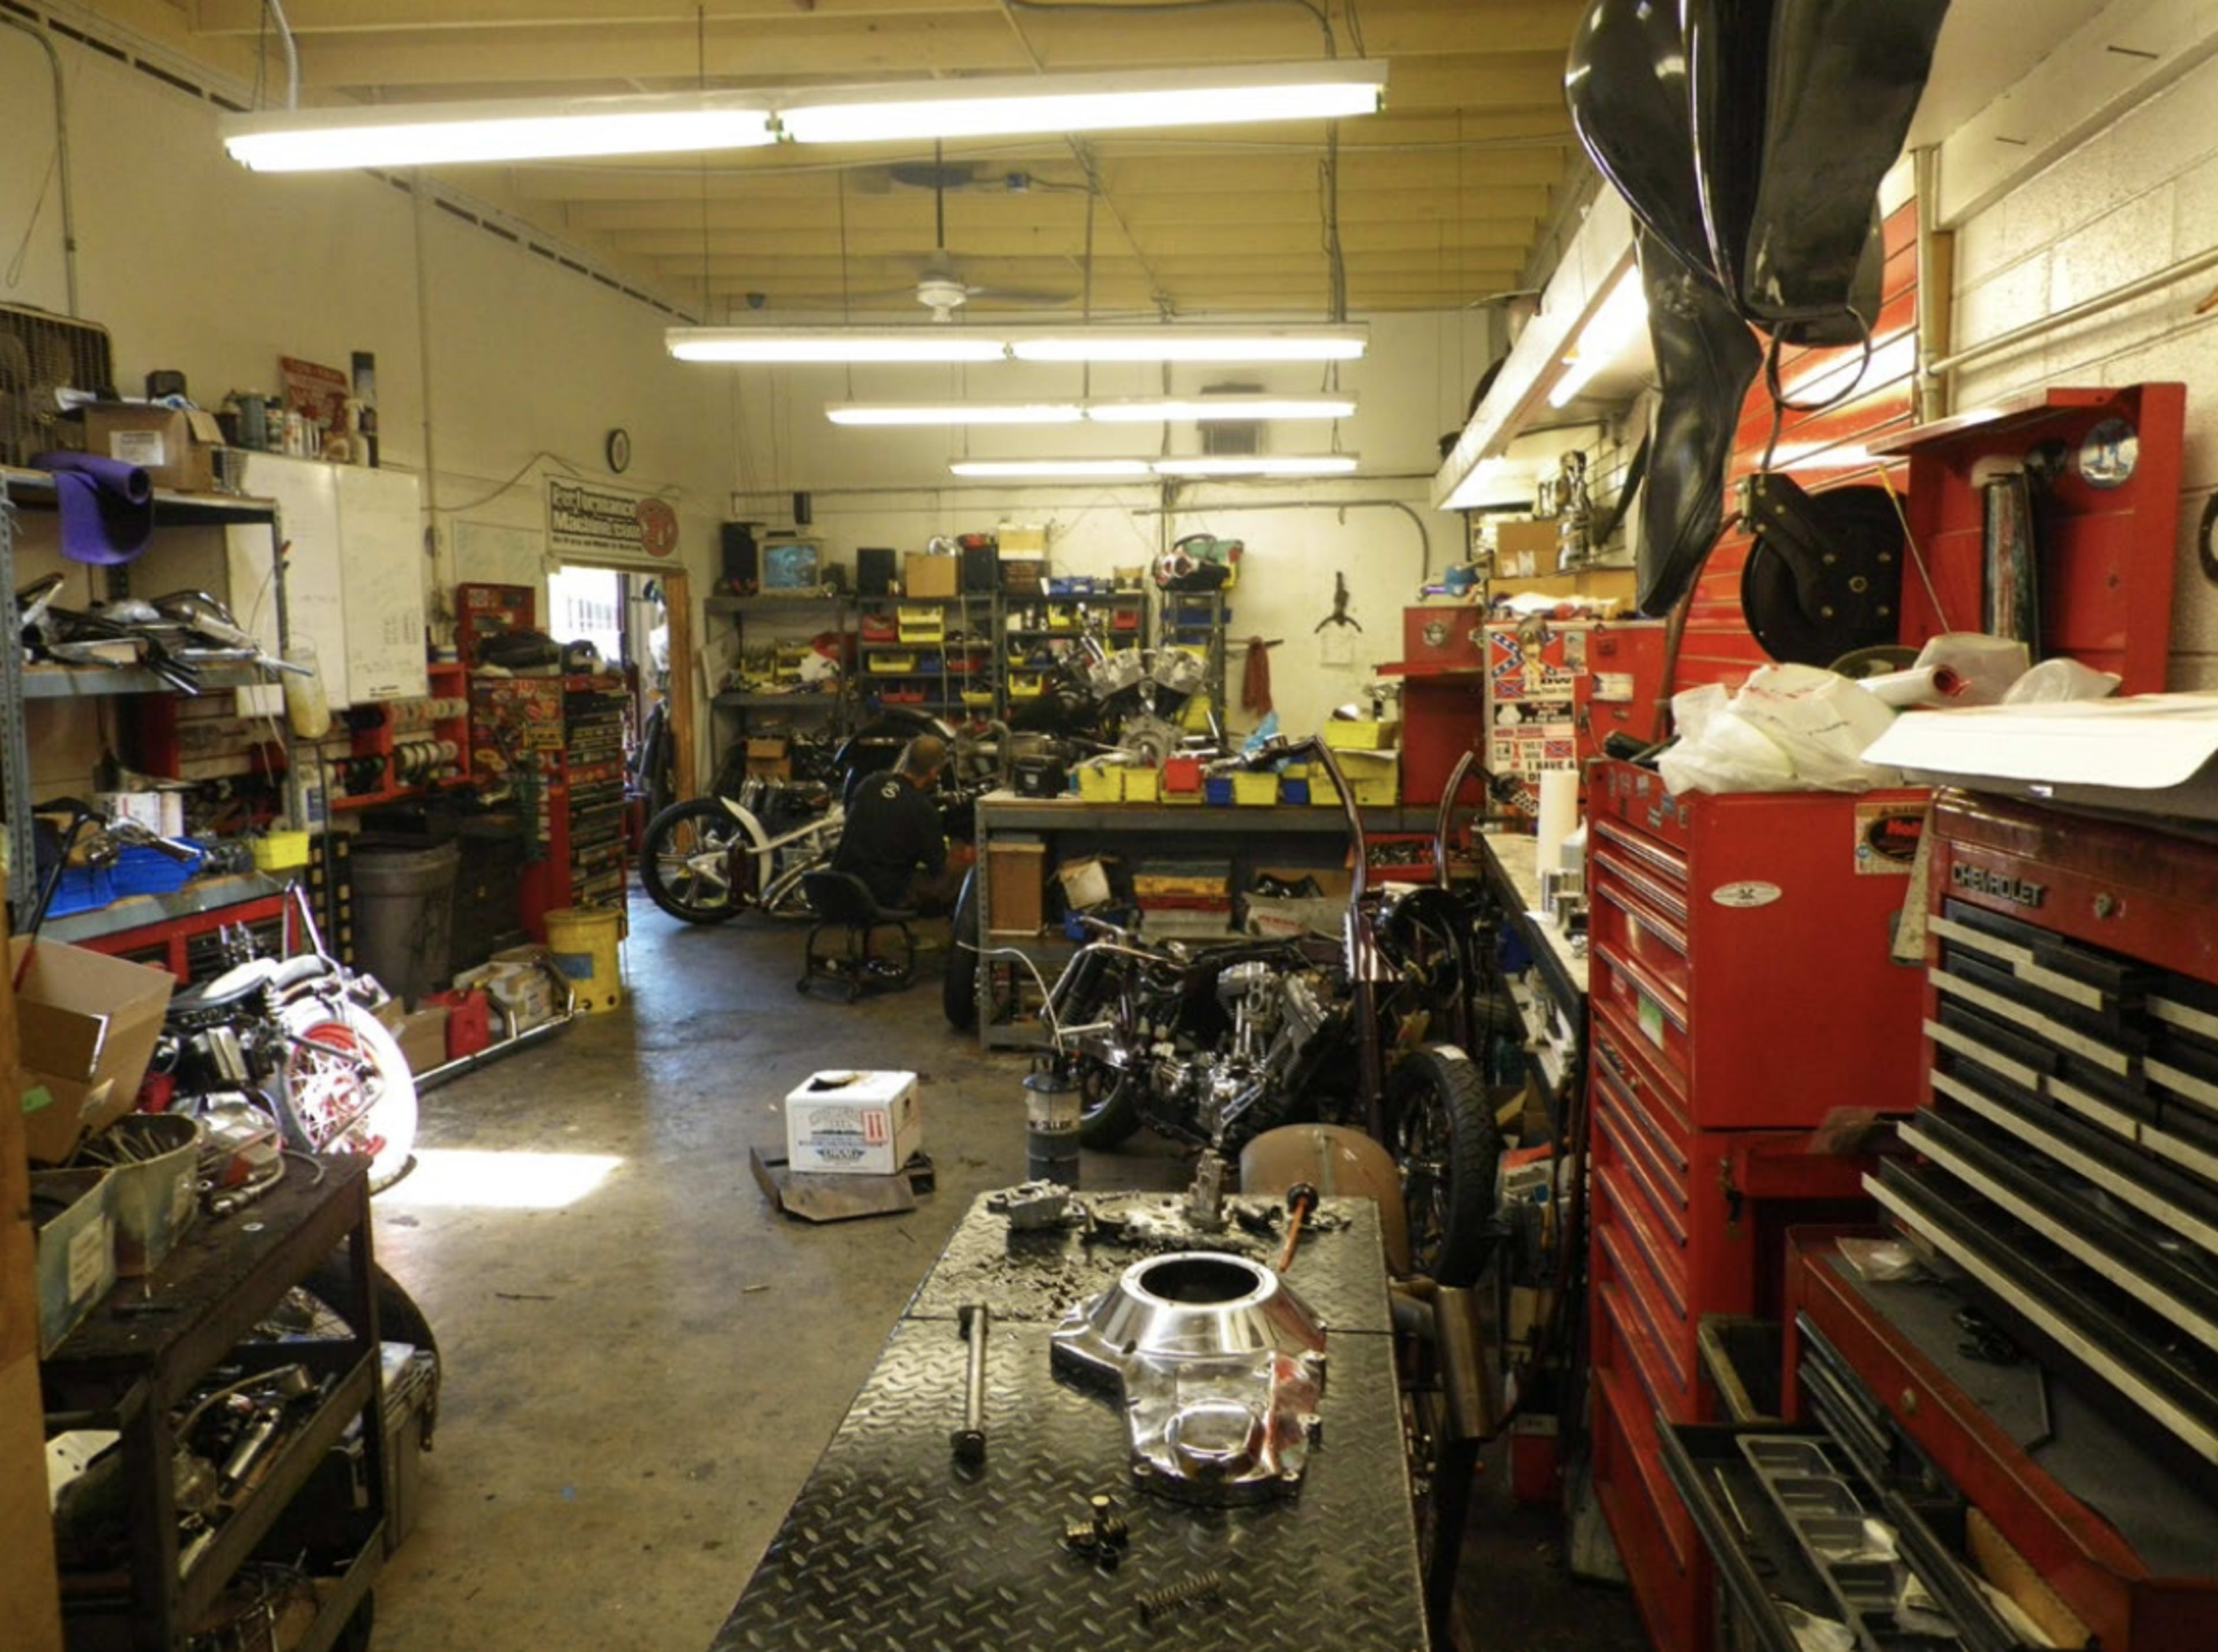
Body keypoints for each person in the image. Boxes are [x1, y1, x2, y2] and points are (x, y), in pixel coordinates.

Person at [831, 735, 967, 914]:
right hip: (881, 895)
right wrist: (959, 853)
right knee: (963, 874)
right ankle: (954, 938)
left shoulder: (870, 783)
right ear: (935, 772)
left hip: (839, 887)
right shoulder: (923, 809)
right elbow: (938, 868)